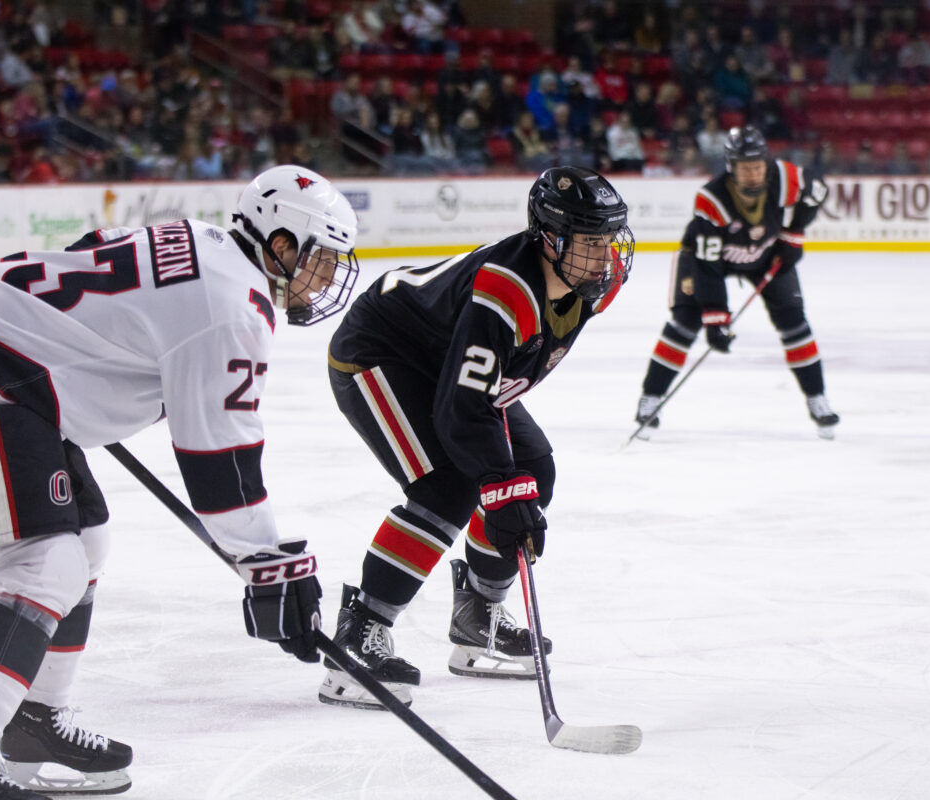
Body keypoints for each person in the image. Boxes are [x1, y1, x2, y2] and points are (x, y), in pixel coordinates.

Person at [0, 164, 359, 799]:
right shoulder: (234, 308)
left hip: (12, 358)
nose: (330, 275)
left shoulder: (205, 241)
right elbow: (220, 467)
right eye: (322, 258)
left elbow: (91, 255)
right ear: (281, 246)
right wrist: (270, 564)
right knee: (43, 565)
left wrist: (83, 360)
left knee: (85, 544)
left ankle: (32, 720)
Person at [320, 166, 633, 708]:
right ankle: (359, 635)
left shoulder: (595, 286)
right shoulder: (506, 288)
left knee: (531, 471)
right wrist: (496, 480)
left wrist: (508, 482)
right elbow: (462, 410)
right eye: (589, 242)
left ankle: (478, 616)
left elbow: (480, 387)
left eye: (608, 240)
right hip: (382, 351)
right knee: (447, 487)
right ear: (550, 238)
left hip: (452, 363)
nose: (604, 256)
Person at [634, 125, 840, 439]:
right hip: (704, 260)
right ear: (731, 167)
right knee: (685, 322)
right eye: (746, 169)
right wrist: (716, 317)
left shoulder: (784, 177)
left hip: (764, 255)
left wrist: (794, 235)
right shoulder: (711, 199)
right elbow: (707, 265)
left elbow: (818, 191)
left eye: (758, 167)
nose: (754, 175)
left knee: (794, 323)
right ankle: (651, 398)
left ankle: (817, 398)